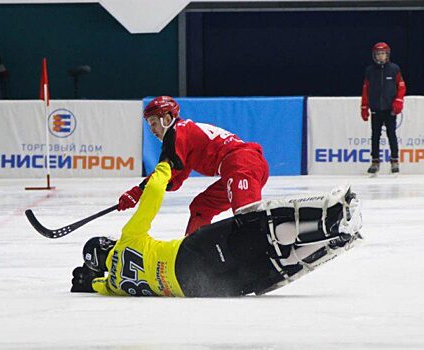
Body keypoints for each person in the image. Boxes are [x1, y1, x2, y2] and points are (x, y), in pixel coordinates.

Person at [70, 161, 363, 297]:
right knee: (257, 228)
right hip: (190, 256)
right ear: (106, 245)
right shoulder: (126, 241)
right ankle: (331, 219)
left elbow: (93, 285)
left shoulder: (113, 286)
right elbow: (152, 199)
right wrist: (163, 169)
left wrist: (89, 280)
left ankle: (336, 239)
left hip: (199, 288)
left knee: (271, 262)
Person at [117, 96, 269, 236]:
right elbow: (173, 178)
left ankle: (266, 256)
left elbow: (163, 173)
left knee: (248, 217)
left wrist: (136, 193)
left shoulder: (176, 133)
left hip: (240, 164)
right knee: (201, 207)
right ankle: (194, 252)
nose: (152, 130)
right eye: (150, 125)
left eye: (154, 123)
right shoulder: (184, 135)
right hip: (240, 165)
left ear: (167, 118)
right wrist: (149, 190)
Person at [361, 42, 406, 175]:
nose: (381, 56)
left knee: (391, 134)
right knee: (375, 135)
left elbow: (402, 87)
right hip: (376, 108)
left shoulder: (394, 69)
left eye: (383, 53)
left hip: (390, 108)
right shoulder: (370, 71)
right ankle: (375, 161)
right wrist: (364, 106)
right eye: (378, 54)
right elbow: (365, 89)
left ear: (387, 55)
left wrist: (398, 102)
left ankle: (394, 160)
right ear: (374, 55)